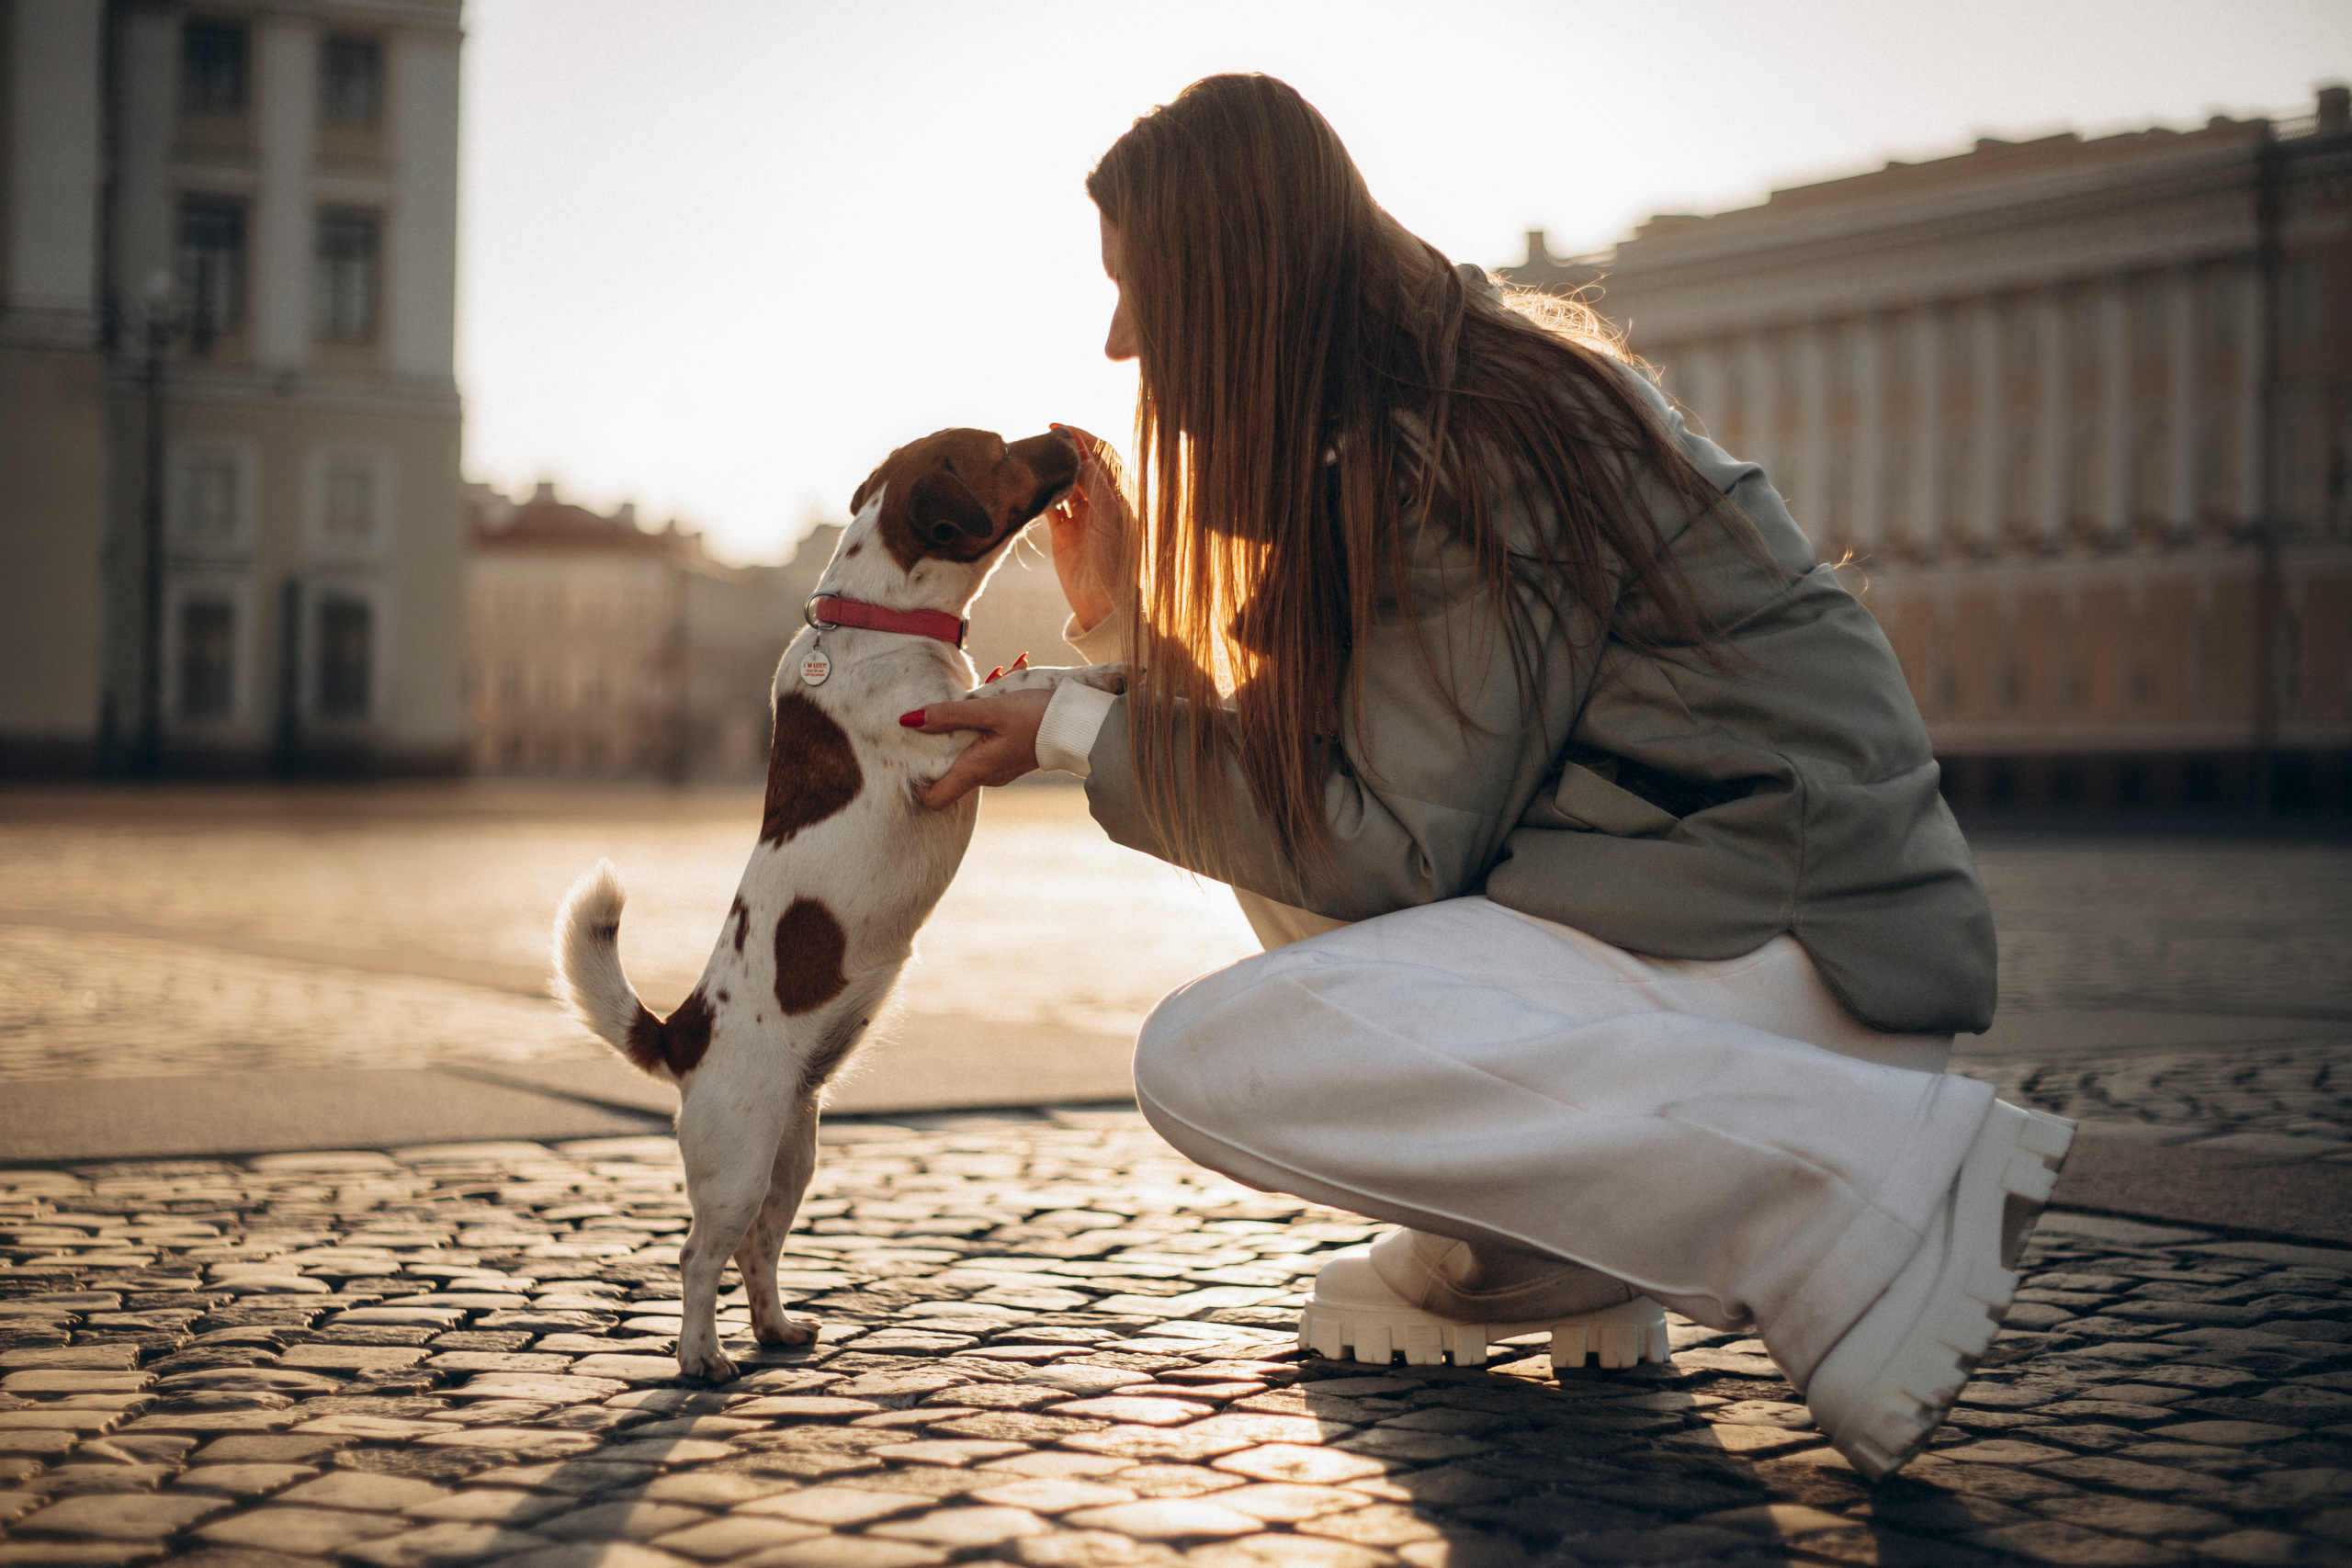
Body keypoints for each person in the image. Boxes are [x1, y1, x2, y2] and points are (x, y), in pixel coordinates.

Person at [901, 73, 2072, 1482]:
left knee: (1207, 1057)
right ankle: (1545, 1260)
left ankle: (1860, 1200)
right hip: (1714, 936)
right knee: (1282, 917)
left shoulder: (1463, 441)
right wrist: (1122, 631)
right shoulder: (1424, 417)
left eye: (1138, 288)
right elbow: (1320, 802)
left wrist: (1078, 728)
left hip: (1794, 965)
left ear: (1232, 284)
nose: (1119, 337)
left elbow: (1381, 843)